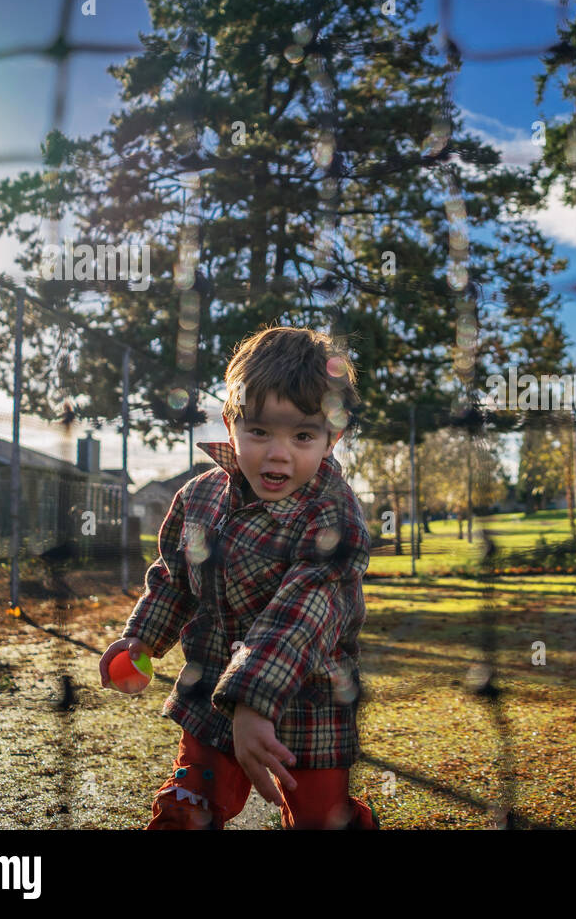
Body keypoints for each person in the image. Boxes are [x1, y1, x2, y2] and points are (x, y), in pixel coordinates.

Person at [99, 326, 378, 830]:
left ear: (331, 437)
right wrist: (141, 638)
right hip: (210, 693)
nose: (278, 453)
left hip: (311, 702)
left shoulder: (334, 513)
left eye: (302, 436)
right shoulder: (199, 497)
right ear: (231, 425)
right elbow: (175, 579)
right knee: (187, 808)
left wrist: (254, 700)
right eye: (260, 431)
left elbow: (304, 611)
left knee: (320, 819)